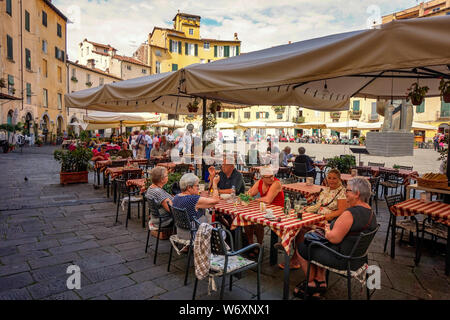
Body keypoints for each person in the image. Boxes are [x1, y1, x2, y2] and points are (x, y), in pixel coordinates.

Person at [294, 177, 377, 299]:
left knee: (302, 247)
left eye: (347, 190)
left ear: (357, 194)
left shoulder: (350, 214)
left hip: (342, 260)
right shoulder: (370, 212)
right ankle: (320, 280)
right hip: (358, 258)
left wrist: (327, 229)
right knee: (316, 242)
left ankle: (311, 283)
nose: (345, 193)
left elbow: (333, 239)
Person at [279, 168, 347, 270]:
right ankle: (291, 245)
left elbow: (341, 211)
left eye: (334, 178)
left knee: (302, 228)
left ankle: (296, 257)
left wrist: (326, 216)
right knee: (297, 220)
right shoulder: (326, 189)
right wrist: (307, 209)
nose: (332, 180)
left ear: (339, 179)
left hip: (329, 222)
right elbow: (318, 205)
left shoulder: (341, 192)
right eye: (329, 178)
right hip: (317, 216)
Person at [244, 166, 284, 258]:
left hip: (277, 212)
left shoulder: (276, 183)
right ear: (262, 177)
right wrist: (246, 196)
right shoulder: (260, 182)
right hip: (264, 210)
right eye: (269, 177)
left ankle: (259, 246)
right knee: (247, 221)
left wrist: (253, 199)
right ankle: (251, 245)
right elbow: (250, 193)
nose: (272, 178)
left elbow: (268, 200)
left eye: (272, 176)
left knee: (258, 223)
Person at [172, 173, 220, 240]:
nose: (198, 188)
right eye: (197, 186)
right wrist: (215, 184)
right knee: (221, 230)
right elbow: (216, 201)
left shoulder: (176, 197)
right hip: (193, 234)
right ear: (189, 187)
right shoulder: (193, 199)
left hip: (180, 232)